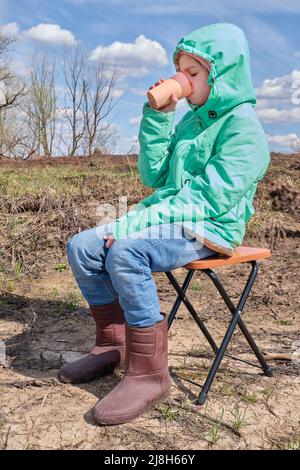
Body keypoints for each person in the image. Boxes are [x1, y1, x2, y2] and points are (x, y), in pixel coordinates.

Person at [58, 22, 270, 425]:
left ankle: (150, 373)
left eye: (192, 74)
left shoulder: (244, 128)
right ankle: (113, 344)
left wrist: (129, 226)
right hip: (170, 217)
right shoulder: (192, 122)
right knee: (82, 246)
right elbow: (154, 176)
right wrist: (158, 116)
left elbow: (205, 200)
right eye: (181, 72)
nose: (183, 82)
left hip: (210, 226)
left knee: (126, 249)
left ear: (221, 76)